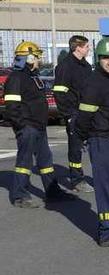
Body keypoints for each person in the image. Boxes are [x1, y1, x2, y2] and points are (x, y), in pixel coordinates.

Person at [74, 38, 109, 248]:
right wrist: (84, 137)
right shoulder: (95, 82)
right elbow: (84, 117)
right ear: (99, 59)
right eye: (106, 58)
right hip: (103, 140)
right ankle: (107, 232)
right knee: (106, 187)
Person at [6, 41, 73, 208]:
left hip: (39, 127)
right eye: (36, 56)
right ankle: (19, 195)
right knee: (24, 162)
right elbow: (12, 107)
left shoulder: (32, 76)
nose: (39, 60)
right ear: (28, 58)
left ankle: (53, 192)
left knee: (46, 161)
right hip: (28, 127)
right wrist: (22, 126)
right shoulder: (16, 78)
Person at [53, 35, 94, 193]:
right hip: (74, 113)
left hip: (88, 112)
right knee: (75, 148)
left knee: (94, 145)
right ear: (77, 47)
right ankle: (77, 180)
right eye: (86, 46)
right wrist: (69, 115)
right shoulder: (65, 67)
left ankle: (98, 176)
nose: (88, 48)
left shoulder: (86, 66)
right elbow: (59, 93)